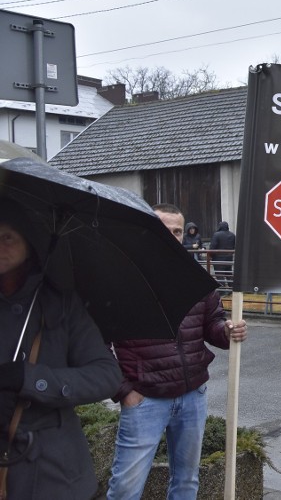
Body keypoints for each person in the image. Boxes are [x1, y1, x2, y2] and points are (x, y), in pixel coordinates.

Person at [107, 204, 247, 500]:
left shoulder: (196, 277)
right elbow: (96, 343)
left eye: (177, 231)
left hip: (191, 396)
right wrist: (124, 391)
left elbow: (211, 323)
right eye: (163, 229)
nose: (171, 236)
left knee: (186, 482)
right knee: (125, 489)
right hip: (145, 399)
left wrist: (226, 331)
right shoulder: (121, 278)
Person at [0, 198, 122, 499]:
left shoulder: (61, 304)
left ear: (29, 244)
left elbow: (107, 375)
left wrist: (31, 379)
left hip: (52, 471)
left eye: (7, 237)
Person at [210, 221, 236, 285]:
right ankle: (231, 288)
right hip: (229, 258)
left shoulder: (216, 234)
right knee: (229, 274)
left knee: (219, 275)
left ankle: (222, 290)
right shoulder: (232, 235)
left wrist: (211, 256)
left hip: (218, 259)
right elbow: (234, 246)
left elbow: (212, 247)